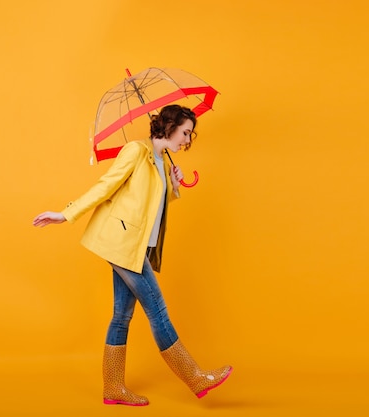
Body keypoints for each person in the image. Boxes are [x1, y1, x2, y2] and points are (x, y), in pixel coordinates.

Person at [32, 104, 232, 406]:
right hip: (122, 243)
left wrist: (174, 183)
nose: (187, 140)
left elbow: (155, 203)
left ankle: (113, 387)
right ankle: (195, 377)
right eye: (185, 132)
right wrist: (65, 214)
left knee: (121, 316)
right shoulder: (136, 152)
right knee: (158, 311)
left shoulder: (162, 161)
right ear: (169, 126)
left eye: (190, 134)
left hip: (136, 246)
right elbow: (106, 186)